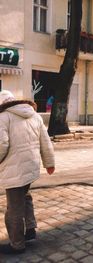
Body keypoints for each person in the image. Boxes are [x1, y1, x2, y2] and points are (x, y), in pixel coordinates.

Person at [0, 90, 55, 255]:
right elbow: (45, 141)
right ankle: (30, 229)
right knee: (25, 196)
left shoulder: (3, 117)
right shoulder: (34, 115)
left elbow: (2, 145)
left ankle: (17, 244)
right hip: (30, 167)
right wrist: (49, 163)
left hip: (14, 170)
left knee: (14, 209)